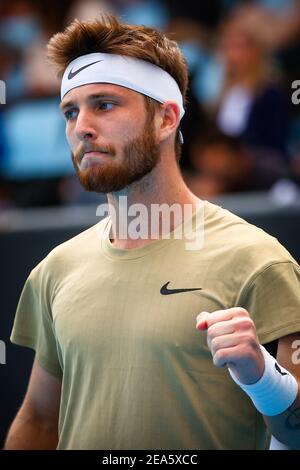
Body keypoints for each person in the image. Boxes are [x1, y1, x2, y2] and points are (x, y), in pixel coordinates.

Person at [5, 14, 300, 450]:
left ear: (166, 118)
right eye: (71, 111)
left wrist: (262, 377)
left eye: (104, 104)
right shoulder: (54, 269)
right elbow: (40, 421)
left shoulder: (259, 260)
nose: (80, 127)